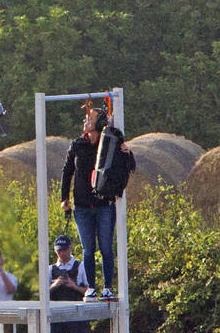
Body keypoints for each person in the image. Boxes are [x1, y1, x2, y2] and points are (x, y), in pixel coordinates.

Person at [61, 105, 134, 300]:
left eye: (90, 119)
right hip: (82, 206)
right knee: (88, 249)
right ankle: (91, 287)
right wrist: (64, 198)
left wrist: (127, 152)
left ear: (99, 124)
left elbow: (129, 166)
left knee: (106, 247)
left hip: (103, 205)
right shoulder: (77, 144)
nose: (85, 122)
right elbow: (67, 171)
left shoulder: (110, 144)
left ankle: (108, 287)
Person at [48, 235, 88, 333]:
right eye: (59, 250)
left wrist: (74, 286)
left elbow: (90, 291)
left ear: (70, 248)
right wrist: (55, 285)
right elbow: (42, 294)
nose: (62, 253)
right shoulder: (50, 269)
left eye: (64, 250)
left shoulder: (81, 266)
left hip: (77, 317)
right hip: (56, 318)